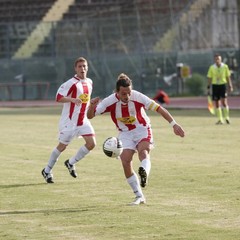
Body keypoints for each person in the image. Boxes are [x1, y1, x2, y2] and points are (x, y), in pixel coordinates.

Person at [87, 73, 185, 205]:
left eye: (128, 92)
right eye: (123, 93)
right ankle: (139, 196)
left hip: (142, 129)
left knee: (143, 152)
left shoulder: (138, 96)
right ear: (117, 92)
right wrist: (92, 106)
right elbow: (90, 116)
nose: (127, 96)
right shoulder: (109, 101)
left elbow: (159, 108)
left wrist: (174, 124)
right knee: (125, 160)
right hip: (125, 133)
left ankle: (144, 172)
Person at [41, 57, 96, 183]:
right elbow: (58, 97)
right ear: (75, 69)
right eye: (80, 66)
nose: (82, 68)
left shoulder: (90, 82)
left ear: (87, 67)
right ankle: (47, 170)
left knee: (91, 144)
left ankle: (71, 163)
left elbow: (85, 100)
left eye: (84, 66)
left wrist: (90, 103)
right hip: (70, 122)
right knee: (62, 147)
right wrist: (72, 99)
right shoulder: (71, 83)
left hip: (83, 120)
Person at [207, 54, 233, 124]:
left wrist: (230, 85)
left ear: (221, 59)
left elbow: (228, 76)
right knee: (217, 103)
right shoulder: (212, 67)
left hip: (222, 85)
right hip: (215, 86)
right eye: (216, 59)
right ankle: (220, 119)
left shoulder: (225, 67)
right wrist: (208, 87)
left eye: (218, 59)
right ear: (214, 60)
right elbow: (209, 77)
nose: (217, 60)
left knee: (224, 102)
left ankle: (227, 117)